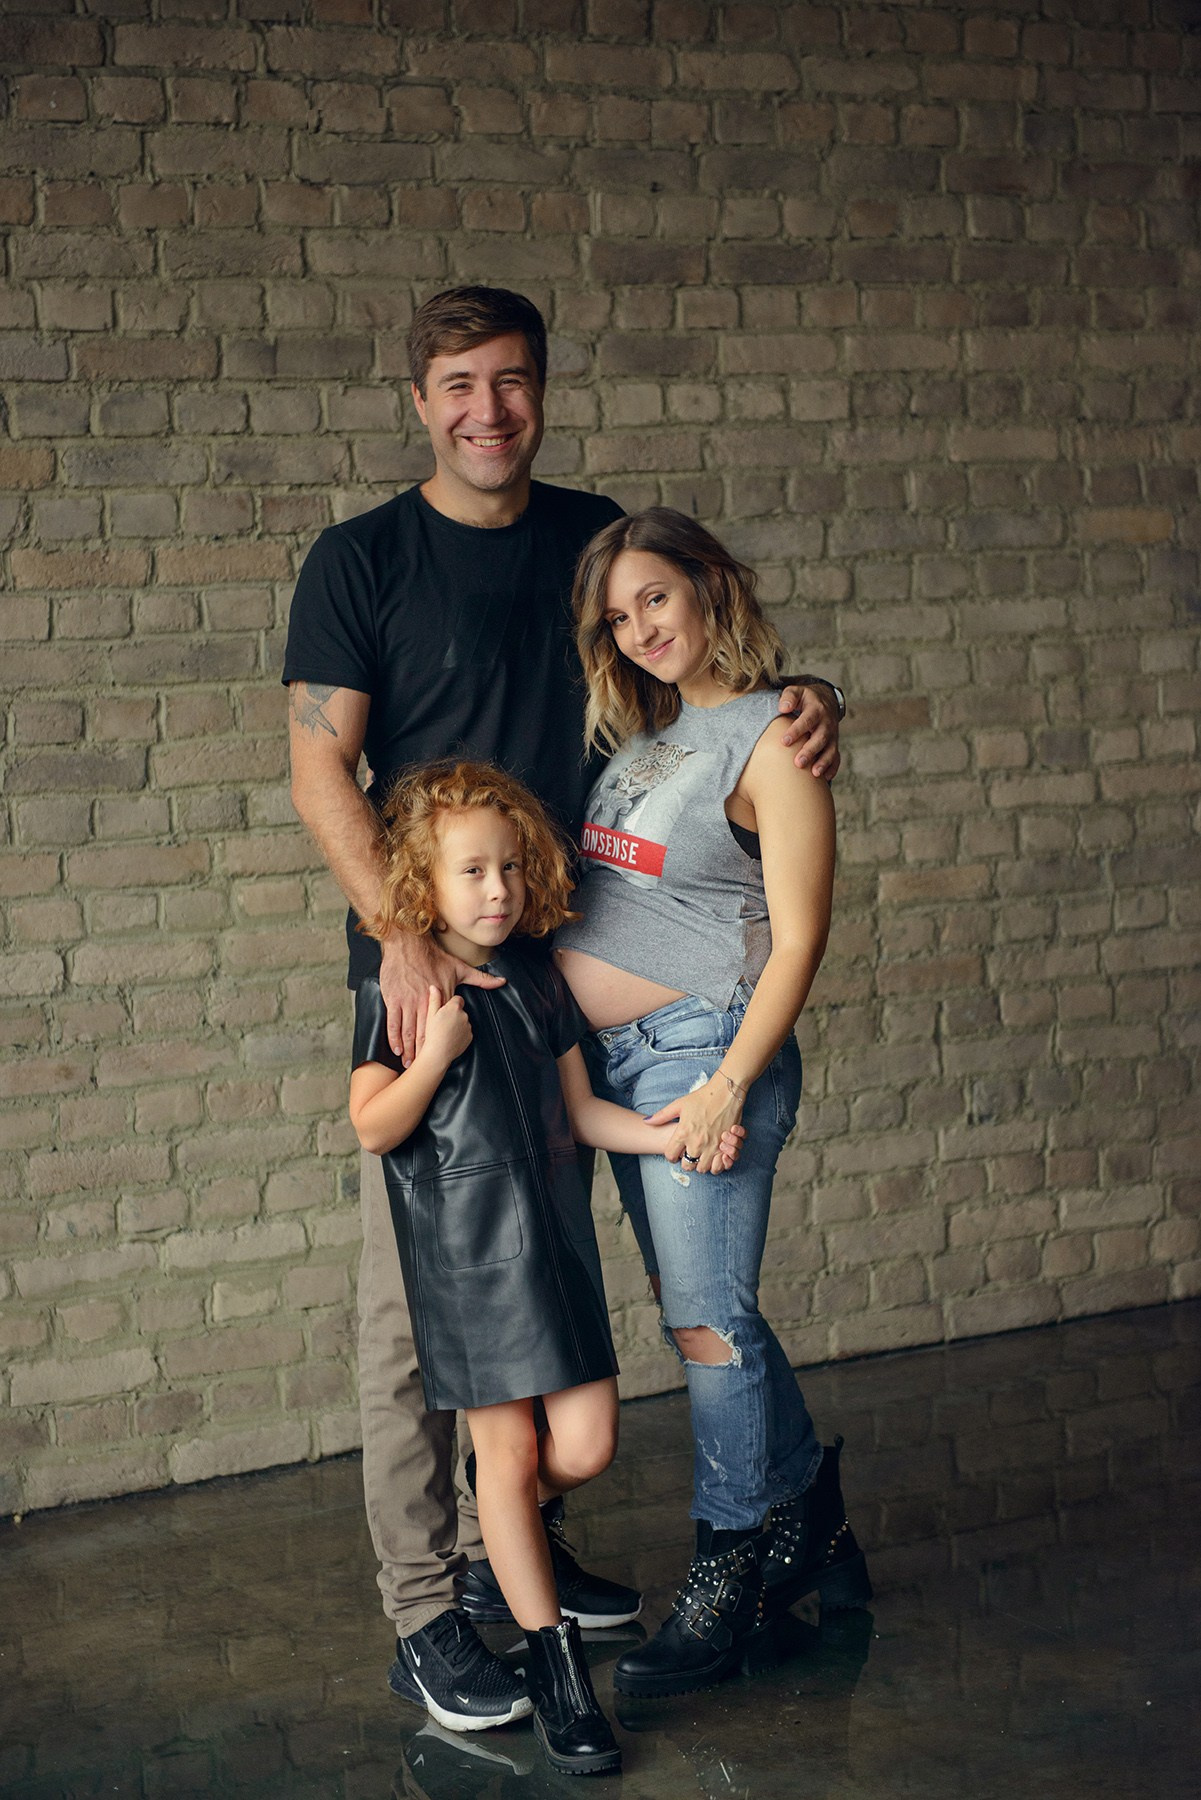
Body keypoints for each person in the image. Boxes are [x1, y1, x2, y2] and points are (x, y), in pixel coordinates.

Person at [284, 284, 845, 1729]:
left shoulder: (590, 542)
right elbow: (314, 772)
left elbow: (688, 669)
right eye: (459, 385)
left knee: (543, 1284)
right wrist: (400, 933)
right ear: (420, 400)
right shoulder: (360, 561)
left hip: (562, 994)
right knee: (420, 1314)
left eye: (512, 381)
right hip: (429, 976)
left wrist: (797, 704)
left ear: (542, 389)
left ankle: (502, 1556)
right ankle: (431, 1611)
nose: (488, 410)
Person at [347, 758, 744, 1771]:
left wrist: (666, 1138)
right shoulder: (397, 984)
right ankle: (557, 1669)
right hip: (468, 1261)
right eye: (472, 871)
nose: (497, 889)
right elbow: (372, 1123)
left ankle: (505, 1506)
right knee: (515, 1457)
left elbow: (579, 1110)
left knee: (587, 1444)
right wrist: (430, 1056)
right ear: (421, 886)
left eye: (511, 868)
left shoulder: (537, 973)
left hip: (551, 1245)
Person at [555, 507, 871, 1699]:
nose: (639, 629)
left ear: (708, 586)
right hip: (631, 1065)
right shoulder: (645, 743)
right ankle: (816, 1526)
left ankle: (728, 1569)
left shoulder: (776, 739)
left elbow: (798, 938)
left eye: (655, 599)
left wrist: (727, 1081)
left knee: (706, 1323)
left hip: (703, 1059)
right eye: (618, 616)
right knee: (700, 1311)